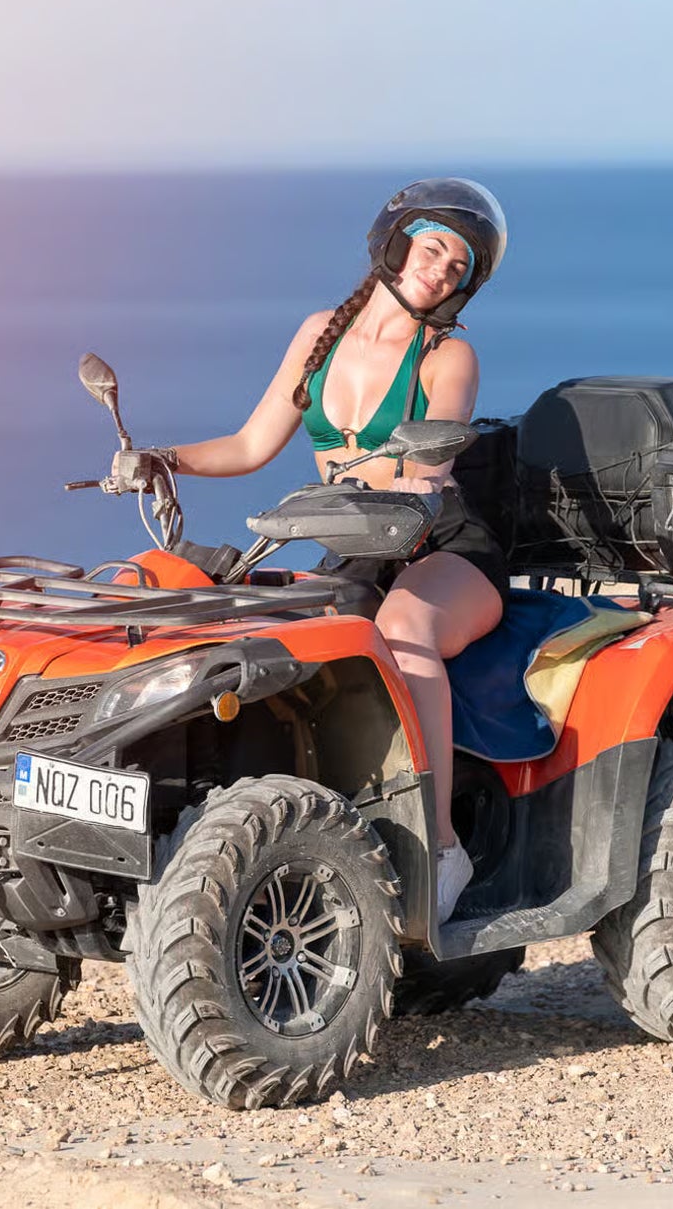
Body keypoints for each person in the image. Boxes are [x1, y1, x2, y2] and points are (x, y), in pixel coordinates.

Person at [132, 178, 510, 917]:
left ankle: (439, 848)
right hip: (351, 546)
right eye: (434, 248)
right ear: (396, 242)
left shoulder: (448, 358)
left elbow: (428, 472)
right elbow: (250, 443)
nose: (440, 270)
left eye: (458, 267)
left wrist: (402, 480)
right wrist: (162, 459)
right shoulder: (320, 336)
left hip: (443, 544)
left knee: (406, 630)